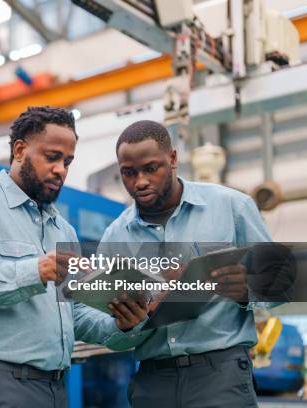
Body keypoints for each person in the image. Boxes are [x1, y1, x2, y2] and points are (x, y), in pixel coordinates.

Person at [0, 106, 147, 408]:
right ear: (20, 150)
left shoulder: (63, 230)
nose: (61, 170)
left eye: (68, 161)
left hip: (53, 387)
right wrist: (32, 272)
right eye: (52, 157)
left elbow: (73, 314)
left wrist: (121, 325)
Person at [100, 120, 273, 408]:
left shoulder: (232, 207)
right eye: (128, 173)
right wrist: (124, 325)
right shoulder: (116, 236)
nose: (140, 181)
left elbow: (281, 281)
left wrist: (247, 289)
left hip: (221, 374)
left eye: (150, 168)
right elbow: (95, 324)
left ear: (173, 159)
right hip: (152, 381)